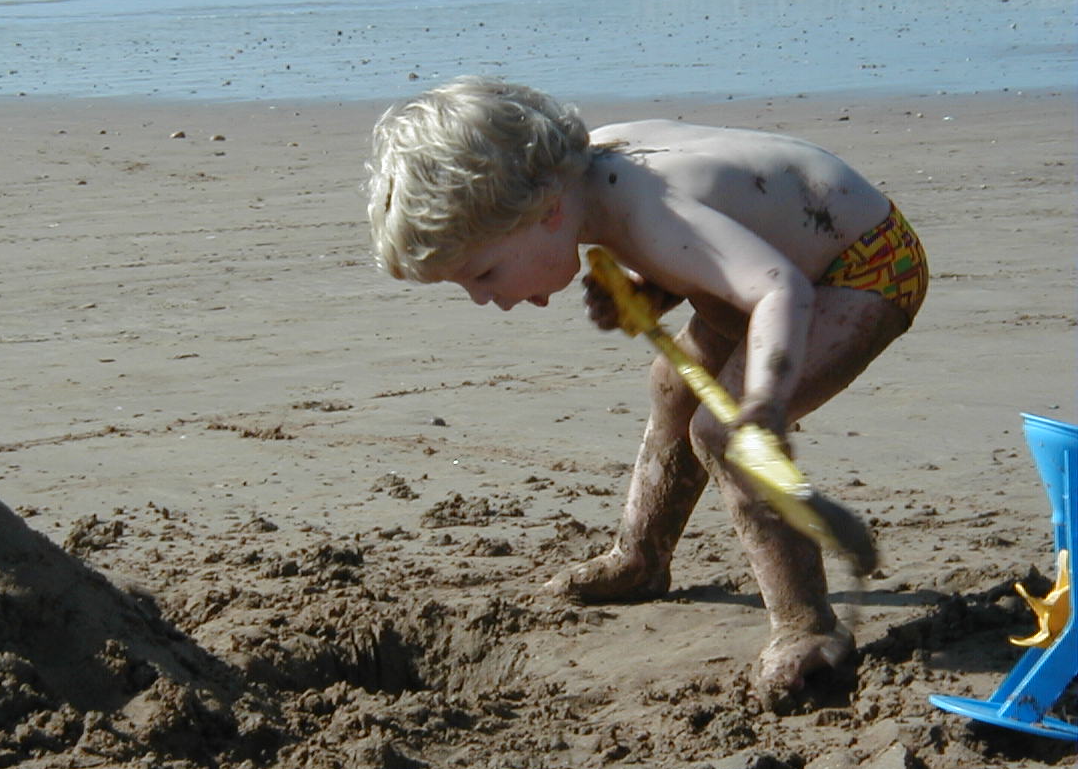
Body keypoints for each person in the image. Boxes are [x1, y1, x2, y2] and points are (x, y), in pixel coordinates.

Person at [365, 76, 928, 712]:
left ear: (545, 209)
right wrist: (650, 286)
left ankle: (807, 627)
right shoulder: (587, 170)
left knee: (723, 435)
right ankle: (642, 556)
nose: (485, 299)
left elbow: (779, 290)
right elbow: (723, 233)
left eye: (484, 272)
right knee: (671, 384)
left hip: (861, 271)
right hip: (788, 262)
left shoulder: (647, 213)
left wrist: (764, 407)